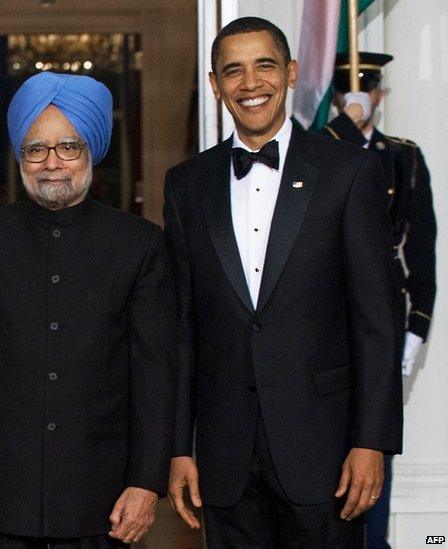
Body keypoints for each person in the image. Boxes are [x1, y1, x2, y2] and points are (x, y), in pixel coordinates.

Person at [164, 17, 402, 548]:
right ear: (214, 84)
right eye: (233, 71)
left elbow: (378, 320)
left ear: (291, 72)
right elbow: (182, 328)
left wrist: (372, 442)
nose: (250, 84)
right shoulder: (185, 185)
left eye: (264, 65)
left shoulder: (348, 171)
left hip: (327, 455)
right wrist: (179, 447)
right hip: (224, 461)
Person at [0, 71, 178, 548]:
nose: (52, 164)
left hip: (105, 492)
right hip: (2, 488)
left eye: (68, 147)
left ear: (91, 151)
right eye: (35, 149)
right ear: (20, 155)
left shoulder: (140, 243)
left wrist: (146, 481)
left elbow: (155, 371)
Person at [325, 50, 438, 549]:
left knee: (376, 436)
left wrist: (416, 328)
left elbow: (423, 250)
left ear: (380, 95)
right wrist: (345, 127)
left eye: (366, 90)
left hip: (385, 312)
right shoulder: (318, 146)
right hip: (327, 313)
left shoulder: (403, 155)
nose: (360, 99)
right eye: (349, 91)